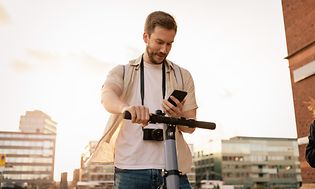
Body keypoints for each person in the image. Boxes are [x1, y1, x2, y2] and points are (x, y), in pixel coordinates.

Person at [99, 11, 198, 189]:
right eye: (159, 42)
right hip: (130, 169)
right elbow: (107, 96)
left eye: (169, 44)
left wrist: (179, 116)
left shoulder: (183, 76)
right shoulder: (122, 71)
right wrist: (126, 108)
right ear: (146, 37)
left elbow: (190, 126)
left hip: (173, 168)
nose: (164, 50)